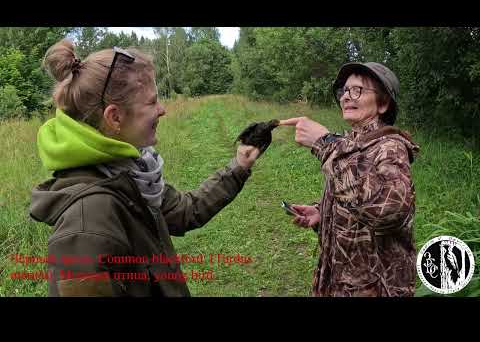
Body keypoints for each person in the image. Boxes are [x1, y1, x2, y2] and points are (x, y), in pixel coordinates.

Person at [29, 39, 261, 297]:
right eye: (151, 102)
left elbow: (184, 211)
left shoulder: (132, 174)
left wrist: (238, 166)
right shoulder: (87, 223)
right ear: (114, 117)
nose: (162, 110)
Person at [280, 62, 420, 297]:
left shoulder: (390, 147)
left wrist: (323, 144)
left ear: (383, 103)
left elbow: (387, 213)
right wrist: (321, 214)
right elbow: (354, 197)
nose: (346, 96)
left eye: (358, 90)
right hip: (340, 282)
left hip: (376, 288)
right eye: (344, 90)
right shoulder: (350, 144)